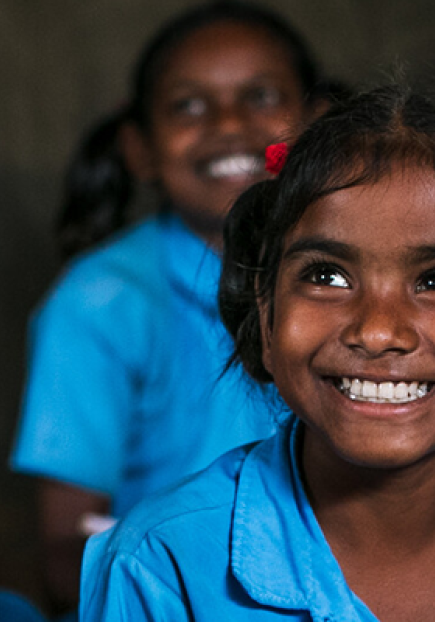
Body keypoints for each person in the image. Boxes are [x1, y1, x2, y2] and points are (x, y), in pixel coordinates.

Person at [80, 83, 435, 621]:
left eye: (433, 281)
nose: (379, 331)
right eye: (327, 275)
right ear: (265, 318)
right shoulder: (161, 563)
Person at [11, 1, 321, 614]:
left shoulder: (355, 282)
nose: (230, 123)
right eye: (188, 105)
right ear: (139, 148)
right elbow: (62, 549)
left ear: (321, 125)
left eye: (262, 96)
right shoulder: (101, 301)